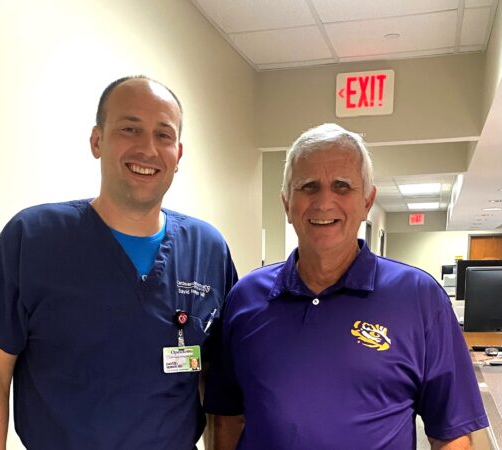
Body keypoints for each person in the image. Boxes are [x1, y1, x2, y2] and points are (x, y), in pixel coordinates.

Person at [0, 75, 237, 450]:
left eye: (163, 135)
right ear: (97, 140)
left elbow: (214, 384)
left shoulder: (207, 249)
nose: (147, 149)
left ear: (179, 154)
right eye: (129, 129)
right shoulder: (34, 238)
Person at [204, 123, 488, 450]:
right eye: (308, 186)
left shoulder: (420, 298)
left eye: (342, 186)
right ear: (286, 203)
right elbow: (226, 418)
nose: (324, 202)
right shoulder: (245, 298)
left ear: (367, 201)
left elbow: (451, 433)